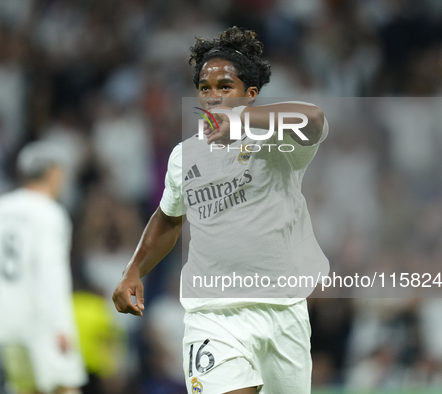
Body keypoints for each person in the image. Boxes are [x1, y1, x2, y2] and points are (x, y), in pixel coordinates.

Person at [113, 26, 329, 394]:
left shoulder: (277, 139)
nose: (212, 96)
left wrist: (242, 122)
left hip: (283, 310)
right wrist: (134, 270)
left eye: (225, 87)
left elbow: (314, 119)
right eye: (204, 87)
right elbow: (169, 216)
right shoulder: (185, 154)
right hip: (213, 315)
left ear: (251, 94)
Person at [0, 141, 86, 394]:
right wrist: (61, 326)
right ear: (52, 172)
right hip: (43, 323)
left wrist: (8, 281)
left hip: (6, 322)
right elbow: (53, 273)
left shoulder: (0, 207)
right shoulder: (50, 213)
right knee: (65, 388)